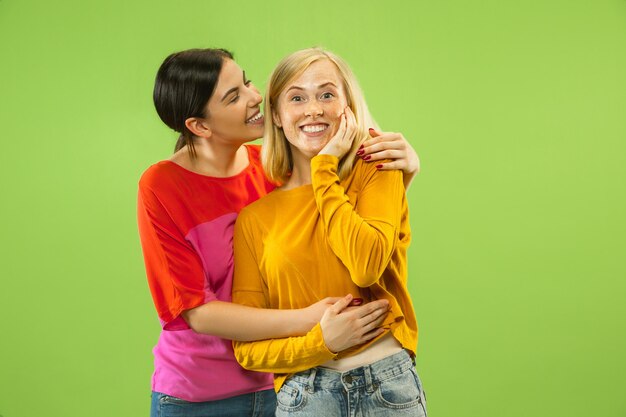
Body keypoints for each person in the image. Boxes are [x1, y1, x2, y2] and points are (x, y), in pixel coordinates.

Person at [137, 48, 421, 417]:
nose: (255, 96)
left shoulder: (272, 172)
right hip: (201, 392)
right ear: (200, 126)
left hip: (285, 381)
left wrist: (401, 178)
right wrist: (315, 325)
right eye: (234, 96)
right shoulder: (163, 185)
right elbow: (196, 313)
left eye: (247, 82)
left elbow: (333, 231)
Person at [232, 47, 426, 416]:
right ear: (275, 114)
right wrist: (322, 343)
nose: (313, 109)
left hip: (387, 386)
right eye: (296, 97)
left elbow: (365, 265)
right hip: (306, 396)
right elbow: (247, 350)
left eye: (326, 94)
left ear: (348, 105)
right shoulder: (255, 219)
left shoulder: (377, 170)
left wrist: (324, 167)